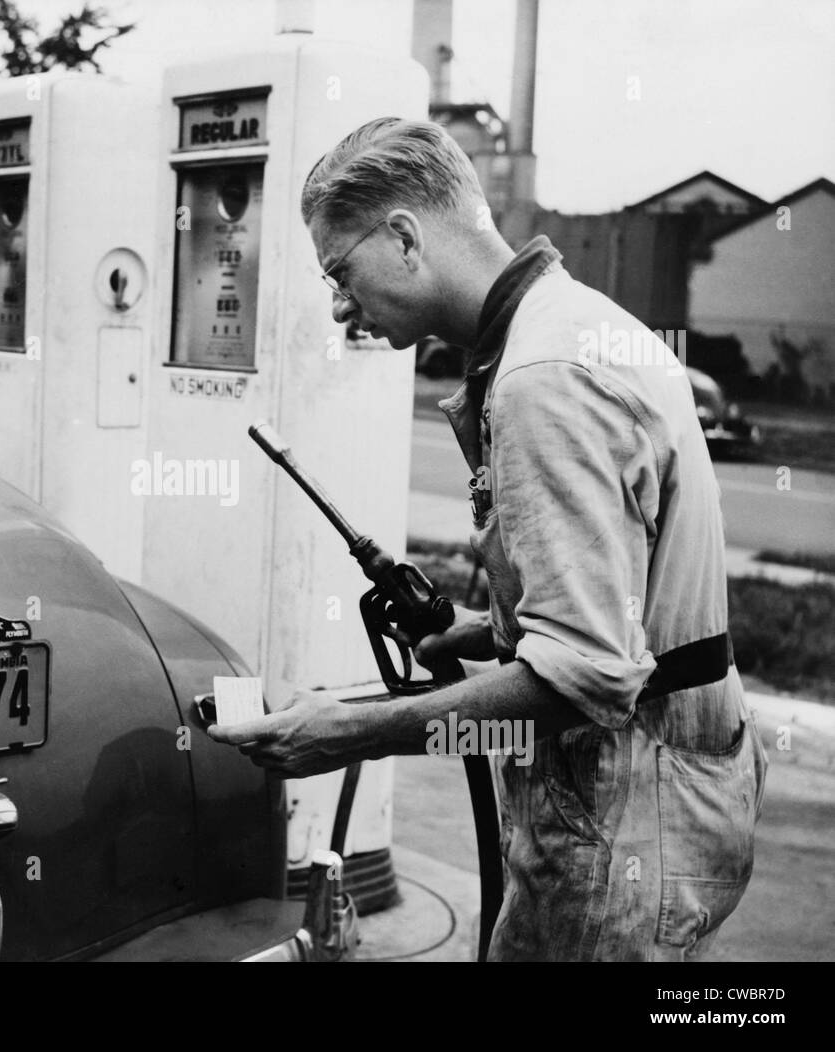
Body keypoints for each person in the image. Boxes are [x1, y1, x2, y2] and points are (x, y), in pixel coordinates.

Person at [208, 117, 768, 962]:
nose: (337, 303)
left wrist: (347, 732)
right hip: (670, 781)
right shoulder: (577, 323)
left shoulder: (542, 380)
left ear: (404, 237)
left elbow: (587, 681)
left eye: (339, 271)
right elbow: (623, 599)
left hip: (620, 812)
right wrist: (492, 629)